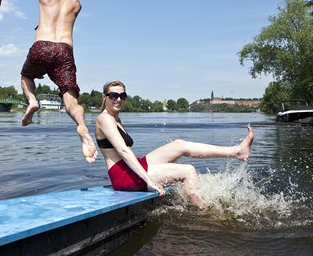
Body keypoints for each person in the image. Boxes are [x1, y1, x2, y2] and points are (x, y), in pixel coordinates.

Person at [0, 0, 97, 163]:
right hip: (64, 50)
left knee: (26, 76)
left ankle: (32, 101)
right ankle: (81, 127)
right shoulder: (77, 3)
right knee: (71, 99)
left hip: (42, 46)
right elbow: (62, 20)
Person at [95, 81, 254, 209]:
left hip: (130, 168)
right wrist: (148, 179)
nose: (119, 99)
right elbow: (123, 151)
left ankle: (237, 152)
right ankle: (206, 212)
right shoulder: (105, 119)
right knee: (188, 171)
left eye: (122, 95)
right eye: (114, 95)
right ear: (105, 97)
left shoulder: (115, 118)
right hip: (122, 176)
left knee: (179, 144)